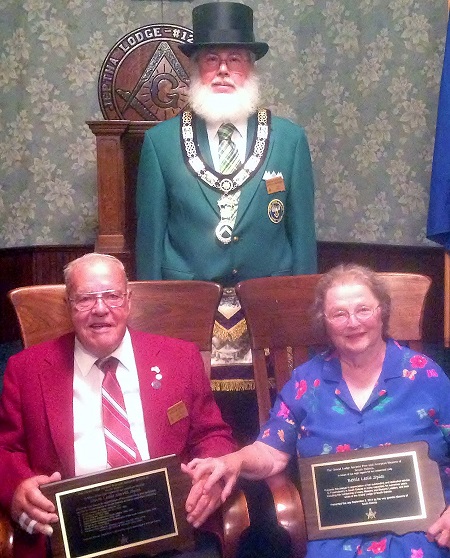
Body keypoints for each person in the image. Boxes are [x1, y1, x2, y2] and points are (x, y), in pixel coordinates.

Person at [182, 264, 450, 557]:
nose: (353, 322)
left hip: (423, 534)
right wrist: (232, 461)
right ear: (325, 321)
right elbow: (270, 452)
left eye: (363, 310)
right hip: (337, 540)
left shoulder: (425, 375)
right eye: (339, 314)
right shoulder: (305, 381)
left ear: (381, 312)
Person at [0, 253, 236, 558]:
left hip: (169, 531)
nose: (100, 309)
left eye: (112, 296)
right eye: (85, 298)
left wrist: (212, 476)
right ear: (68, 305)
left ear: (129, 301)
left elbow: (212, 435)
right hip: (73, 538)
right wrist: (17, 487)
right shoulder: (26, 369)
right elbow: (6, 450)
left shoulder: (180, 358)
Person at [135, 1, 317, 372]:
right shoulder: (160, 143)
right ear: (195, 68)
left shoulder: (290, 139)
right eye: (210, 59)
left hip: (270, 304)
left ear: (250, 68)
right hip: (187, 306)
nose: (222, 70)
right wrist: (152, 317)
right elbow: (150, 241)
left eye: (234, 58)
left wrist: (302, 308)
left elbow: (302, 236)